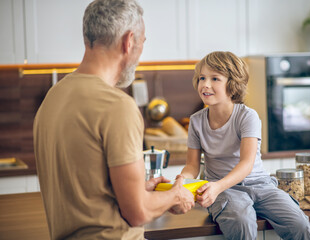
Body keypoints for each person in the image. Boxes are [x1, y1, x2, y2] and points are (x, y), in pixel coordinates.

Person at [33, 0, 195, 239]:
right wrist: (175, 195)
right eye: (142, 43)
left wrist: (142, 190)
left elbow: (87, 189)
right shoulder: (117, 106)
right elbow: (137, 212)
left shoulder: (53, 97)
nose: (140, 53)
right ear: (128, 42)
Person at [178, 51, 310, 240]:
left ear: (232, 85)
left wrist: (215, 187)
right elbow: (192, 166)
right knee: (242, 223)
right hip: (225, 191)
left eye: (215, 78)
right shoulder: (196, 121)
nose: (205, 85)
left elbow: (246, 164)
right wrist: (181, 181)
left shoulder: (247, 117)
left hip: (261, 185)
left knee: (299, 225)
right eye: (202, 78)